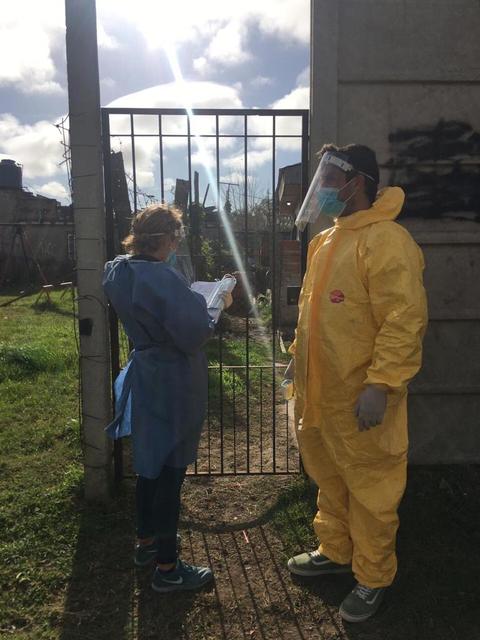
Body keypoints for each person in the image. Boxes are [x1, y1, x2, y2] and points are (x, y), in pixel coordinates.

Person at [285, 144, 428, 622]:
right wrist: (295, 363)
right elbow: (315, 319)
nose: (322, 189)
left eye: (329, 179)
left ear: (357, 182)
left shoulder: (387, 240)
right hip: (319, 396)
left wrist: (381, 384)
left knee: (372, 489)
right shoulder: (325, 242)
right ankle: (336, 550)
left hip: (361, 396)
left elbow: (403, 319)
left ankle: (372, 577)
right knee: (330, 478)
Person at [103, 203, 232, 593]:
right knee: (171, 471)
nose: (176, 245)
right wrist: (217, 305)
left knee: (148, 464)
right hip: (174, 378)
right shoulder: (163, 278)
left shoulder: (117, 270)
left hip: (145, 371)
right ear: (166, 240)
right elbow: (193, 332)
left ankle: (145, 543)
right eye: (175, 238)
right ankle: (168, 567)